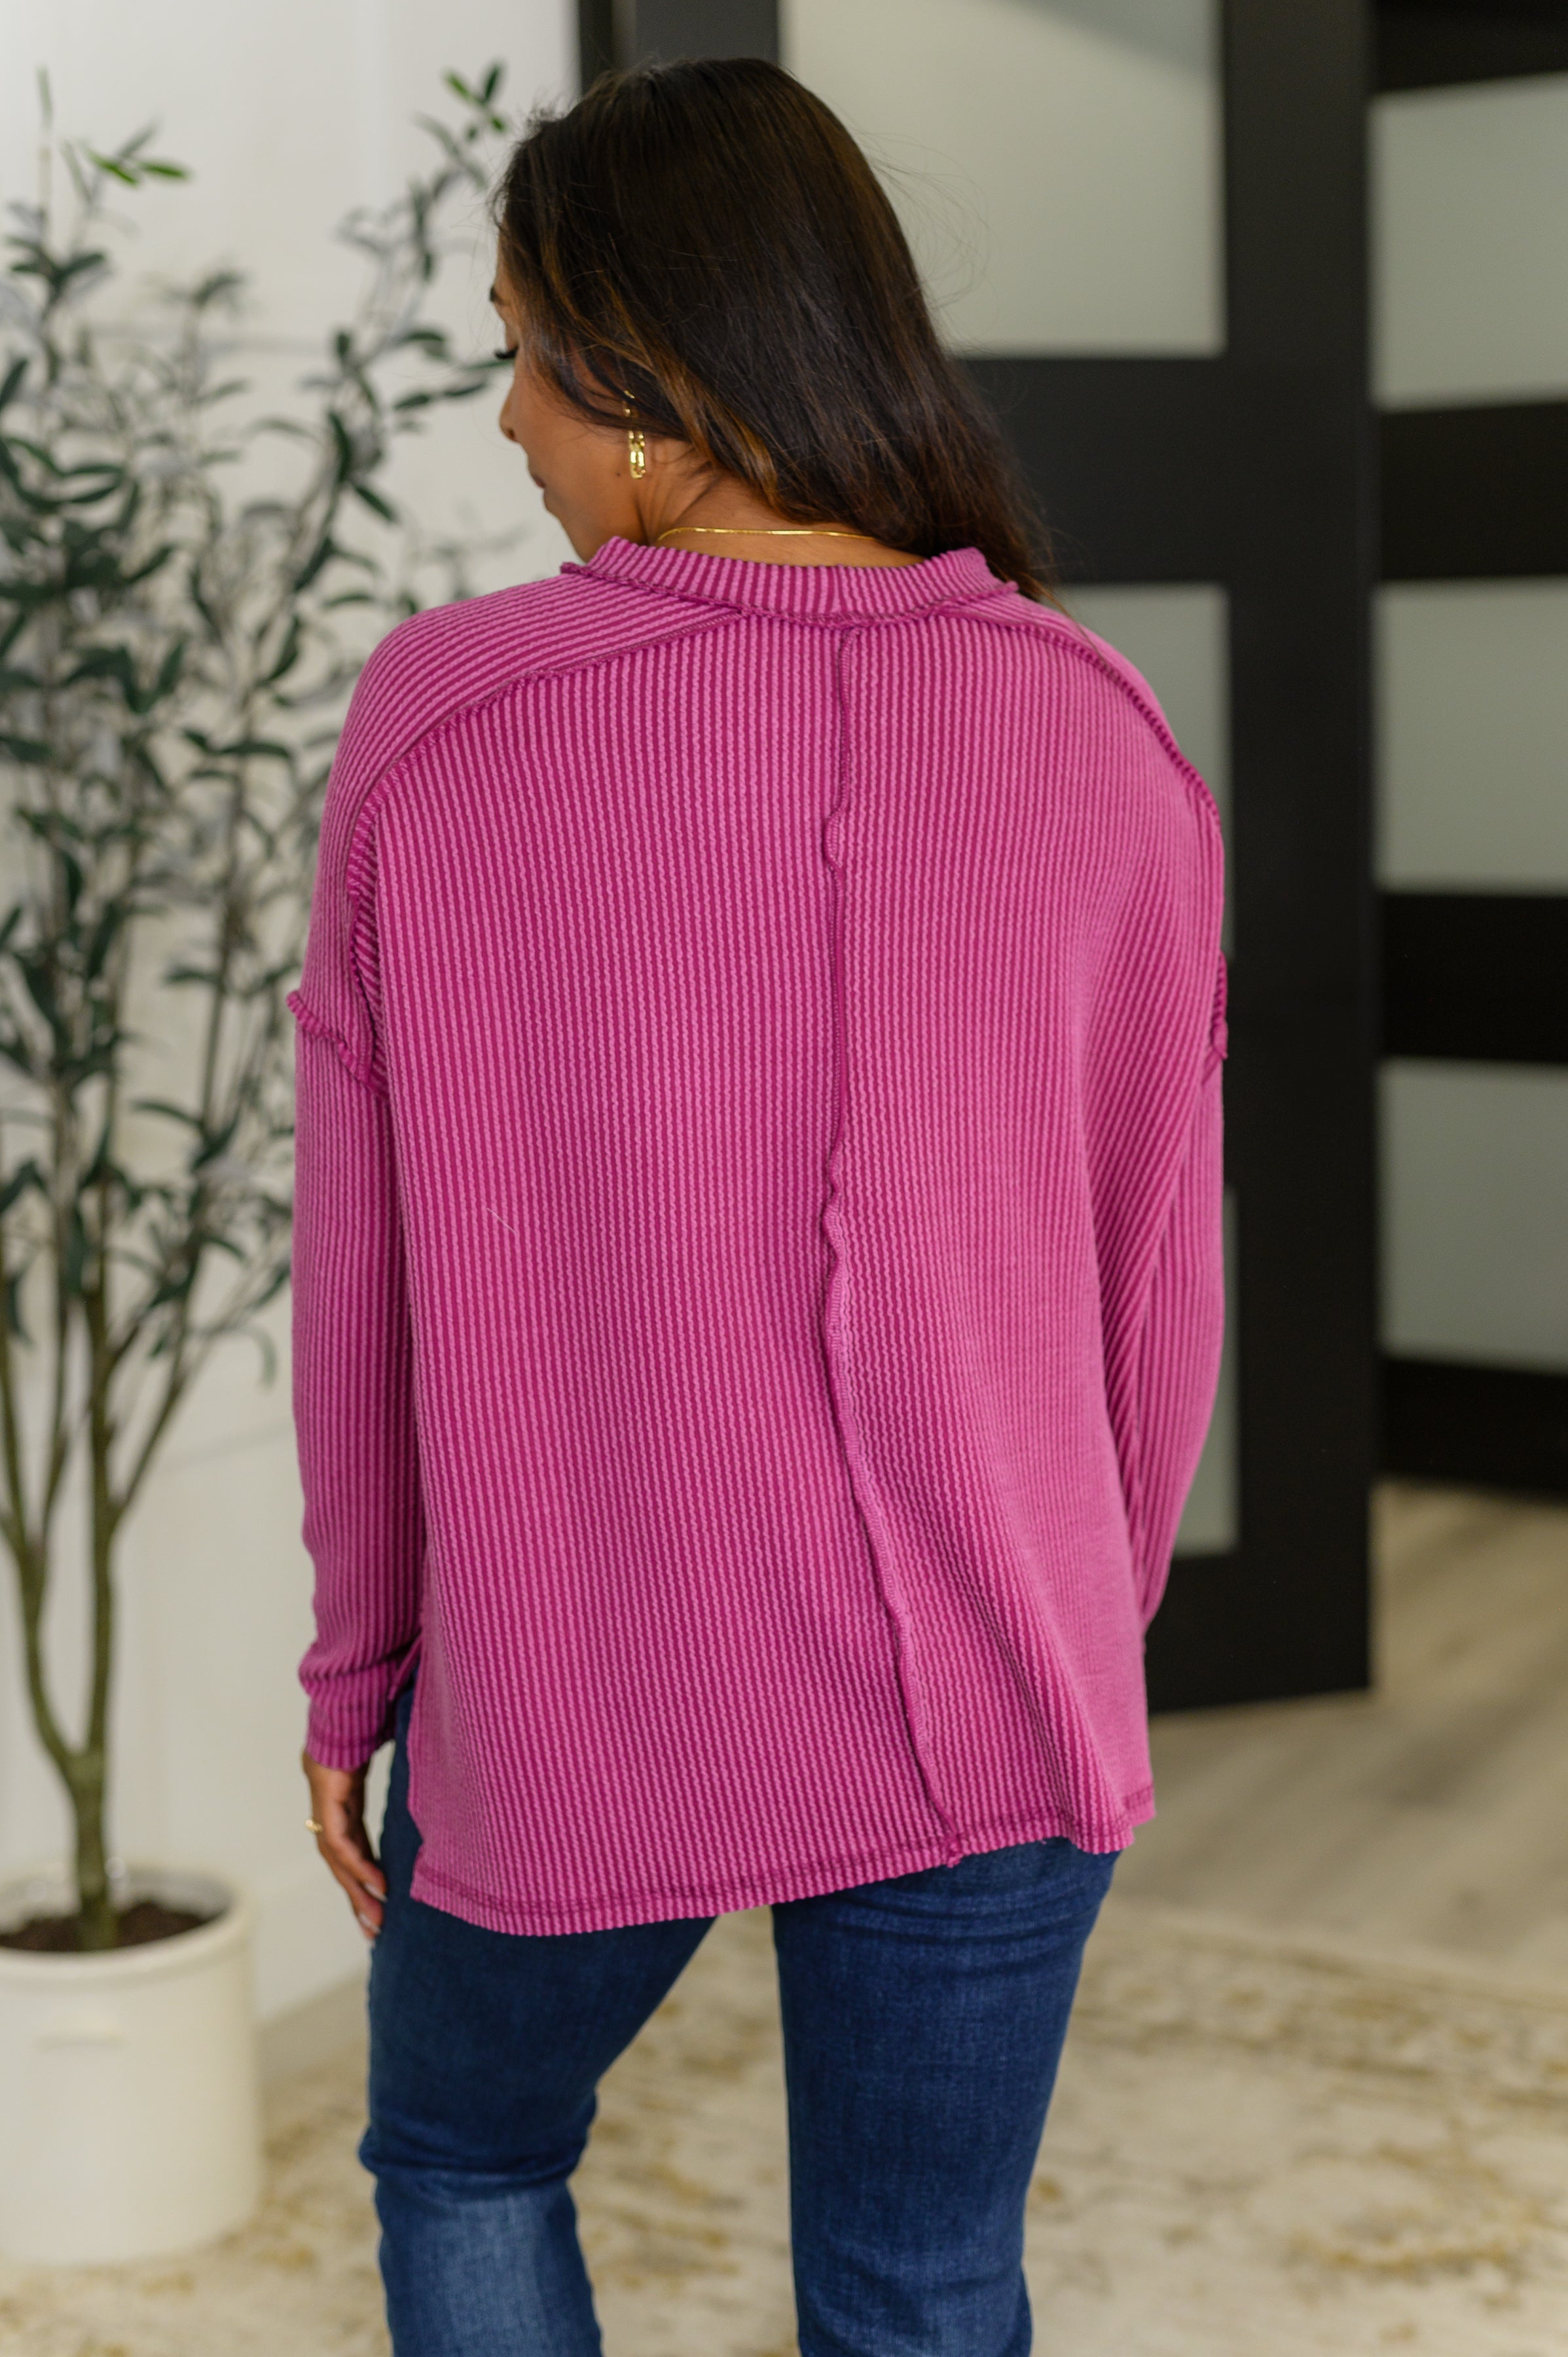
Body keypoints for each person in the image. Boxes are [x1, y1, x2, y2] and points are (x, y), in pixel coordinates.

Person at [291, 55, 1226, 2357]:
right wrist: (1074, 1631)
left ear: (646, 376)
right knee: (924, 2283)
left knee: (468, 2153)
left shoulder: (448, 719)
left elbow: (364, 1281)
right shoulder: (1101, 727)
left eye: (527, 355)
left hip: (578, 1688)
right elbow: (1152, 1287)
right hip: (997, 1689)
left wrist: (358, 1672)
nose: (510, 416)